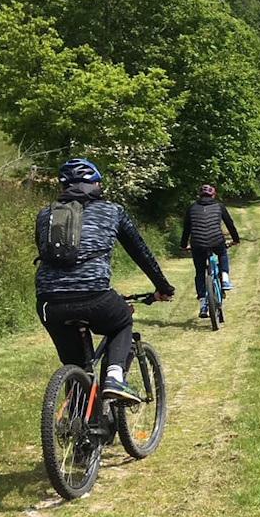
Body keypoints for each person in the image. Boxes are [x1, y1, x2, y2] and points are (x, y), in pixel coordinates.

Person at [35, 159, 175, 404]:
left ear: (62, 188)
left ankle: (82, 432)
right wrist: (163, 287)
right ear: (97, 185)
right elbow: (140, 252)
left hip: (49, 302)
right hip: (94, 295)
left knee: (75, 364)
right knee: (121, 320)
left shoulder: (46, 214)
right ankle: (114, 377)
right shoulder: (112, 210)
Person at [181, 184, 240, 317]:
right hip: (216, 240)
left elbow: (186, 229)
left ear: (199, 196)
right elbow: (230, 224)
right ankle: (225, 278)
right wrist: (235, 240)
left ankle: (203, 304)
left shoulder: (192, 208)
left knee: (200, 271)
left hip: (197, 244)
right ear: (213, 195)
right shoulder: (219, 206)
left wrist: (184, 245)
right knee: (222, 252)